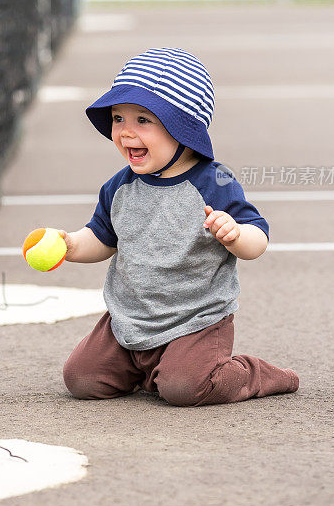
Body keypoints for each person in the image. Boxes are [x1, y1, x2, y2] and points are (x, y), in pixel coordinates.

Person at [61, 48, 299, 407]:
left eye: (143, 120)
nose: (126, 132)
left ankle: (251, 373)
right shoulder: (119, 187)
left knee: (185, 389)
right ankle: (148, 370)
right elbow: (102, 238)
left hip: (195, 322)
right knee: (82, 379)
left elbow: (258, 239)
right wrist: (70, 245)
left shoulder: (213, 182)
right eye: (118, 118)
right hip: (130, 318)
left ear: (182, 127)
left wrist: (234, 234)